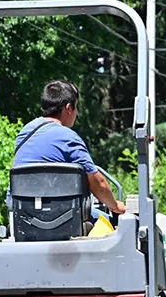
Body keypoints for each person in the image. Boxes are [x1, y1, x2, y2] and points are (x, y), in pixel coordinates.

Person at [13, 80, 125, 215]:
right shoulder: (68, 137)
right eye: (76, 107)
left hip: (22, 218)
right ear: (68, 108)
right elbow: (98, 184)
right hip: (61, 218)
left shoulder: (24, 133)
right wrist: (115, 207)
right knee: (108, 220)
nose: (76, 113)